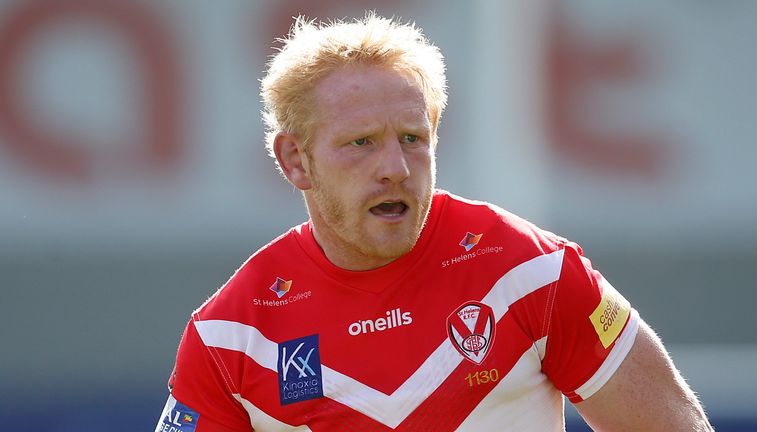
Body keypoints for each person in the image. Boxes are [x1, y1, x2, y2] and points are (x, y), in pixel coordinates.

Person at [155, 13, 714, 432]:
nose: (395, 168)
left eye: (413, 139)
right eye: (362, 143)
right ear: (296, 160)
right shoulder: (230, 336)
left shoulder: (527, 270)